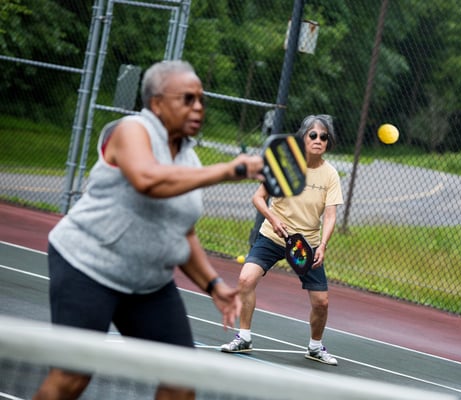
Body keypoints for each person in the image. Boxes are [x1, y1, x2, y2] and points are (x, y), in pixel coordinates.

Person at [34, 60, 264, 400]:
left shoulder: (189, 161)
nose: (198, 107)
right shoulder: (131, 130)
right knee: (72, 376)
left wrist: (214, 285)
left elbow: (182, 232)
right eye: (187, 99)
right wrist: (228, 171)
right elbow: (147, 179)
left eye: (201, 99)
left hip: (147, 283)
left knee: (180, 381)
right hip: (87, 266)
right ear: (157, 102)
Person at [220, 114, 343, 366]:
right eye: (313, 135)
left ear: (328, 142)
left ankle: (315, 347)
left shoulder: (330, 175)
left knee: (322, 302)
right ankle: (244, 337)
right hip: (272, 236)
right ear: (303, 137)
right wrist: (273, 219)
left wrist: (323, 244)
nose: (318, 140)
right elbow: (258, 197)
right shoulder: (285, 164)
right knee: (245, 279)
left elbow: (330, 215)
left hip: (304, 244)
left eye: (324, 137)